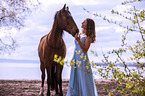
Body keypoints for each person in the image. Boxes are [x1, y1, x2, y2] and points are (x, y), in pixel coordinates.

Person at [66, 18, 98, 96]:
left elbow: (85, 49)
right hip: (76, 58)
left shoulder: (89, 36)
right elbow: (77, 47)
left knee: (83, 79)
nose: (82, 23)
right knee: (75, 78)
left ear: (88, 25)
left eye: (84, 22)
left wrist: (78, 40)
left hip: (82, 60)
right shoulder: (81, 34)